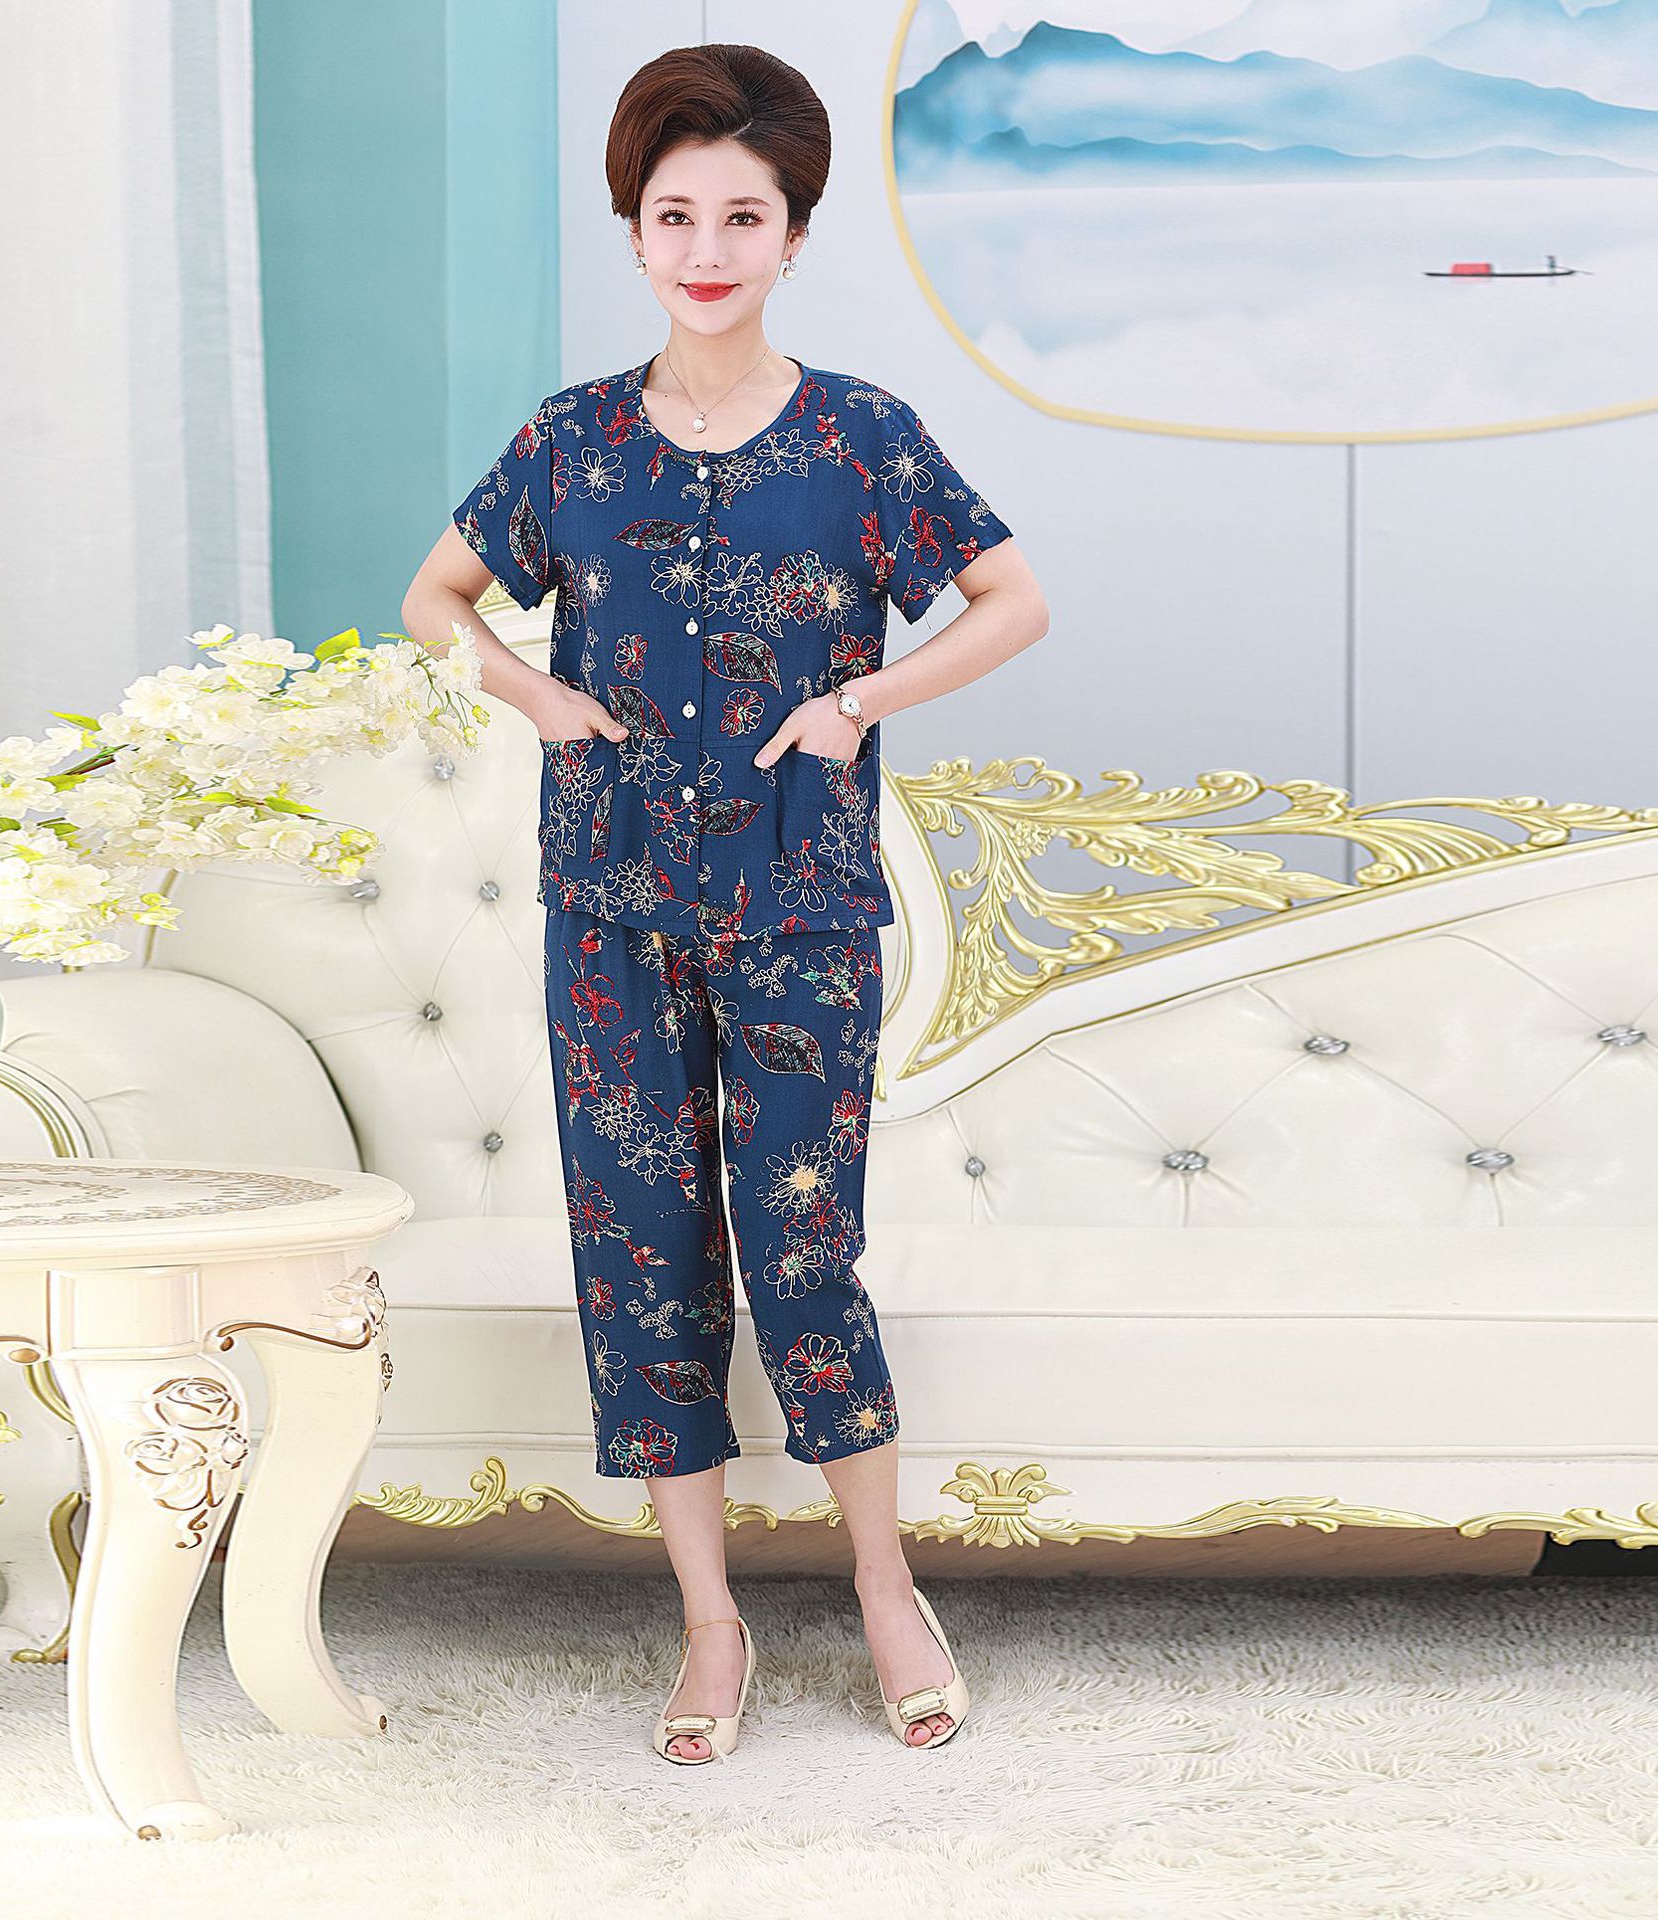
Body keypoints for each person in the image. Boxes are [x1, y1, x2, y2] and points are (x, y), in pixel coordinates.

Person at [403, 42, 1048, 1765]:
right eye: (674, 213)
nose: (706, 247)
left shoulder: (862, 436)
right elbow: (433, 600)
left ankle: (886, 1586)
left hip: (801, 905)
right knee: (641, 1252)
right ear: (634, 232)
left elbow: (1012, 601)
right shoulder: (572, 441)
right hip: (608, 909)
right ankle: (706, 1621)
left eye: (742, 216)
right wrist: (537, 697)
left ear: (793, 235)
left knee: (803, 1247)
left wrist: (858, 703)